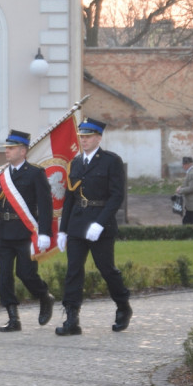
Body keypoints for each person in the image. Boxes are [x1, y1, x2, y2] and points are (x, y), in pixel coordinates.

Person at [0, 130, 56, 331]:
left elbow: (45, 205)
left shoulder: (35, 173)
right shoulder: (1, 174)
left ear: (23, 151)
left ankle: (44, 296)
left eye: (11, 148)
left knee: (26, 274)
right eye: (6, 148)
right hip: (4, 232)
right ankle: (13, 318)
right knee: (4, 276)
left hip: (25, 232)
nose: (7, 151)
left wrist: (44, 232)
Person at [55, 118, 132, 335]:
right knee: (73, 270)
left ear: (98, 138)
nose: (84, 140)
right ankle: (72, 318)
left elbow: (117, 196)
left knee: (106, 268)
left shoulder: (111, 161)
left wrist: (100, 223)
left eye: (88, 137)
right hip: (78, 223)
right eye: (82, 137)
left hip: (101, 222)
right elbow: (70, 197)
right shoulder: (76, 163)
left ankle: (123, 306)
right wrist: (63, 228)